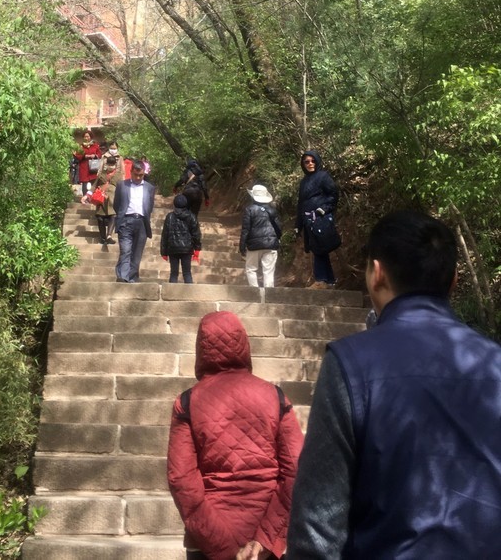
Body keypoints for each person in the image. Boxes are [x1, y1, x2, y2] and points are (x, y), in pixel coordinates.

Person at [286, 210, 501, 560]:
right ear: (454, 281)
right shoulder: (494, 362)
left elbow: (317, 529)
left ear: (377, 274)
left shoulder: (351, 364)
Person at [167, 311, 304, 560]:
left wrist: (223, 549)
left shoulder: (187, 402)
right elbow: (297, 469)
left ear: (201, 349)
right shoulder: (275, 396)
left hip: (208, 543)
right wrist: (264, 539)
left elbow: (181, 479)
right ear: (243, 344)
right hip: (266, 541)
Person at [295, 149, 338, 288]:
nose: (310, 163)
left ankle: (321, 279)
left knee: (319, 248)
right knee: (318, 248)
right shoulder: (303, 182)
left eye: (313, 160)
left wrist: (324, 209)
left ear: (317, 161)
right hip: (308, 220)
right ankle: (329, 281)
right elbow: (301, 204)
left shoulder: (323, 177)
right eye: (306, 161)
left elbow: (333, 194)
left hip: (321, 218)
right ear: (303, 164)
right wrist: (298, 225)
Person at [112, 158, 155, 283]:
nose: (138, 177)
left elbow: (150, 206)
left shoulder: (149, 188)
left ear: (144, 174)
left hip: (142, 222)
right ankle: (123, 276)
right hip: (126, 220)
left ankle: (132, 276)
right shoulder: (122, 185)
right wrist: (122, 216)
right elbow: (117, 204)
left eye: (141, 175)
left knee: (137, 252)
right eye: (136, 175)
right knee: (125, 250)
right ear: (131, 172)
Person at [239, 184, 282, 289]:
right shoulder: (272, 210)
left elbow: (246, 229)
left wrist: (242, 245)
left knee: (251, 269)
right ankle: (268, 295)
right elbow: (279, 228)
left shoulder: (249, 209)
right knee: (268, 271)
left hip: (254, 245)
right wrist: (277, 239)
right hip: (271, 244)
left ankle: (254, 292)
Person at [160, 194, 202, 284]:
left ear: (174, 204)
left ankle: (171, 293)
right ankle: (189, 293)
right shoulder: (191, 216)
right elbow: (196, 234)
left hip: (173, 248)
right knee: (187, 272)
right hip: (187, 248)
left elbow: (165, 235)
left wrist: (164, 252)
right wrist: (197, 249)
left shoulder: (170, 216)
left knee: (174, 273)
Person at [92, 154, 123, 245]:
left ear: (115, 165)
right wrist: (87, 195)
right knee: (100, 218)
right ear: (106, 164)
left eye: (112, 164)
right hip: (101, 197)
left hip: (113, 198)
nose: (111, 166)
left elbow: (122, 187)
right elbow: (94, 185)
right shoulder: (101, 174)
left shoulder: (118, 175)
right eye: (109, 164)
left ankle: (109, 235)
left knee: (113, 215)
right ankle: (103, 237)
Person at [73, 130, 101, 196]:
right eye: (85, 137)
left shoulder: (95, 146)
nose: (86, 138)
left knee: (93, 182)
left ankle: (93, 197)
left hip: (93, 166)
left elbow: (99, 154)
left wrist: (94, 155)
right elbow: (77, 155)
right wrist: (84, 156)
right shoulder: (81, 146)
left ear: (90, 137)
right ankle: (85, 198)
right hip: (84, 166)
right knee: (85, 183)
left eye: (88, 136)